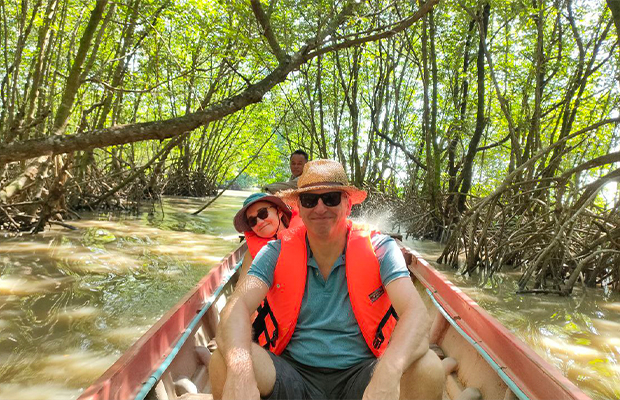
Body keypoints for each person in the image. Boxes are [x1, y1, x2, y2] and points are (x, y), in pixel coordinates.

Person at [210, 160, 444, 400]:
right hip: (293, 373)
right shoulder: (275, 252)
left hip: (361, 374)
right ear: (299, 208)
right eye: (310, 200)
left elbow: (415, 313)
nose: (320, 208)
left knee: (429, 369)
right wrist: (240, 370)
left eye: (331, 198)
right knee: (223, 362)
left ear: (348, 204)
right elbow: (235, 308)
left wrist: (389, 371)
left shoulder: (381, 249)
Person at [233, 192, 300, 279]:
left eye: (263, 213)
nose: (259, 222)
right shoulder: (250, 255)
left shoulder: (305, 235)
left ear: (279, 211)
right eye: (252, 221)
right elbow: (243, 282)